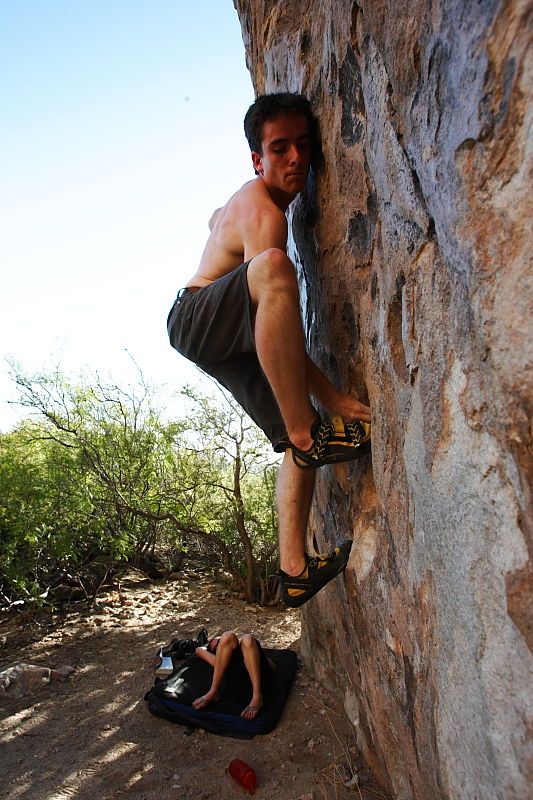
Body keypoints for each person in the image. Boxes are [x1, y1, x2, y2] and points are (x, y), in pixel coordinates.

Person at [167, 93, 372, 607]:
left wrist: (222, 222)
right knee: (276, 268)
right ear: (257, 160)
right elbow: (269, 305)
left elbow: (217, 216)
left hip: (218, 331)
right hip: (195, 317)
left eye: (304, 145)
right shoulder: (265, 216)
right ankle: (309, 434)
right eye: (279, 149)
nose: (296, 158)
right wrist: (331, 397)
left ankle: (294, 569)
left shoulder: (248, 203)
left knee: (289, 431)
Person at [192, 631, 275, 720]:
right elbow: (199, 650)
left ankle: (257, 697)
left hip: (261, 674)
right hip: (243, 680)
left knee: (244, 638)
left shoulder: (246, 647)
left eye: (219, 641)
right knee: (230, 637)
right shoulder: (221, 663)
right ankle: (213, 691)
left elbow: (271, 665)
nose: (220, 643)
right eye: (217, 647)